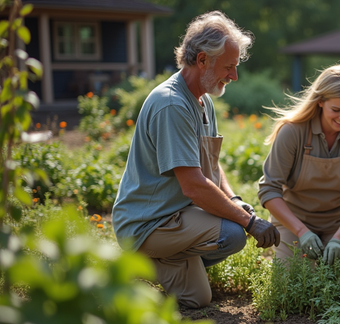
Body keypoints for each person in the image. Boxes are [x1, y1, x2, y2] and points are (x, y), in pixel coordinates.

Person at [112, 11, 279, 308]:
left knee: (197, 299)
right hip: (148, 223)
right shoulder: (171, 104)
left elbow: (211, 165)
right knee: (232, 233)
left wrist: (235, 199)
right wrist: (249, 221)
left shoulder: (203, 101)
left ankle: (157, 265)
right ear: (202, 60)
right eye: (229, 67)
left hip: (177, 216)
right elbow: (193, 186)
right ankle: (135, 261)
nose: (234, 76)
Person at [258, 65, 340, 264]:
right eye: (336, 110)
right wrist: (302, 231)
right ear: (320, 102)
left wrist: (339, 237)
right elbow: (269, 190)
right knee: (296, 284)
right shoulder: (292, 132)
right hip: (294, 221)